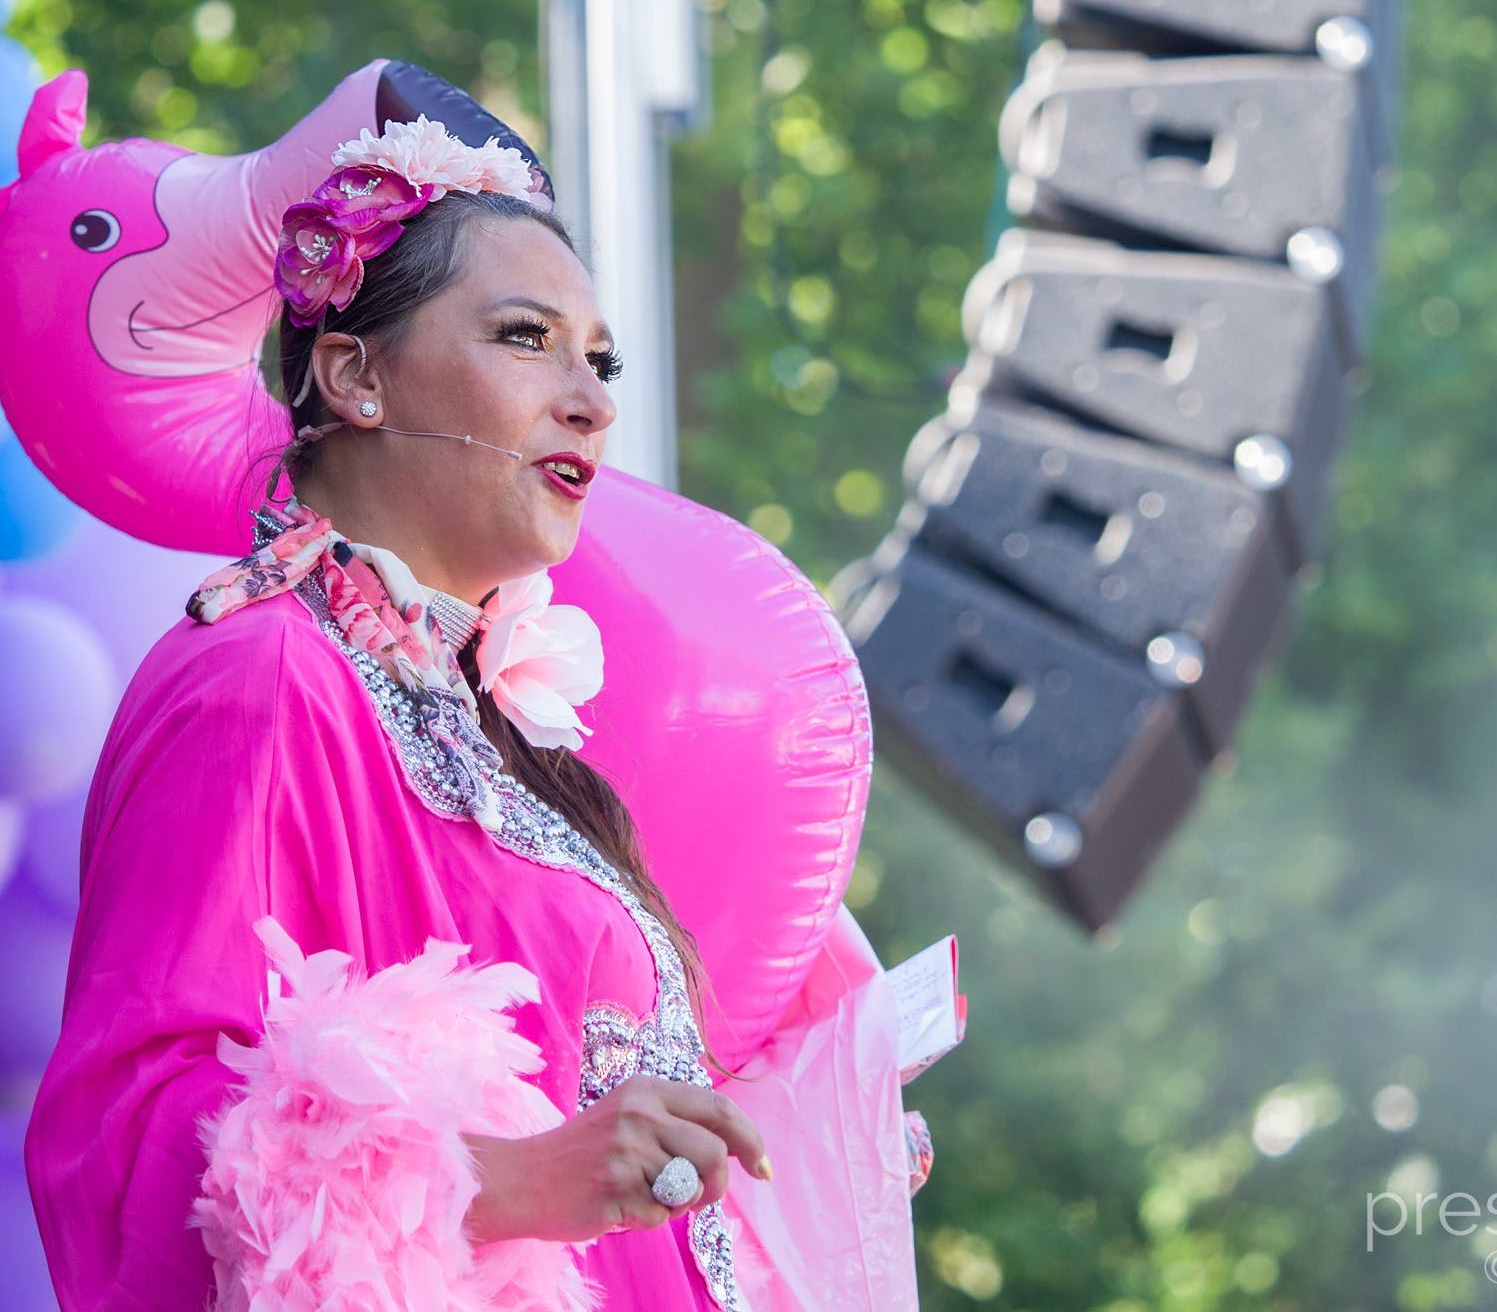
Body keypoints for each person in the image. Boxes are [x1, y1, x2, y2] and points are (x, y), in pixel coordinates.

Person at [23, 117, 921, 1310]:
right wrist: (499, 1183)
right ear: (355, 376)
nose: (590, 404)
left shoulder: (497, 725)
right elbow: (132, 1142)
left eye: (601, 364)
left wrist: (773, 1146)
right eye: (526, 339)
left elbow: (590, 1139)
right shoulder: (258, 677)